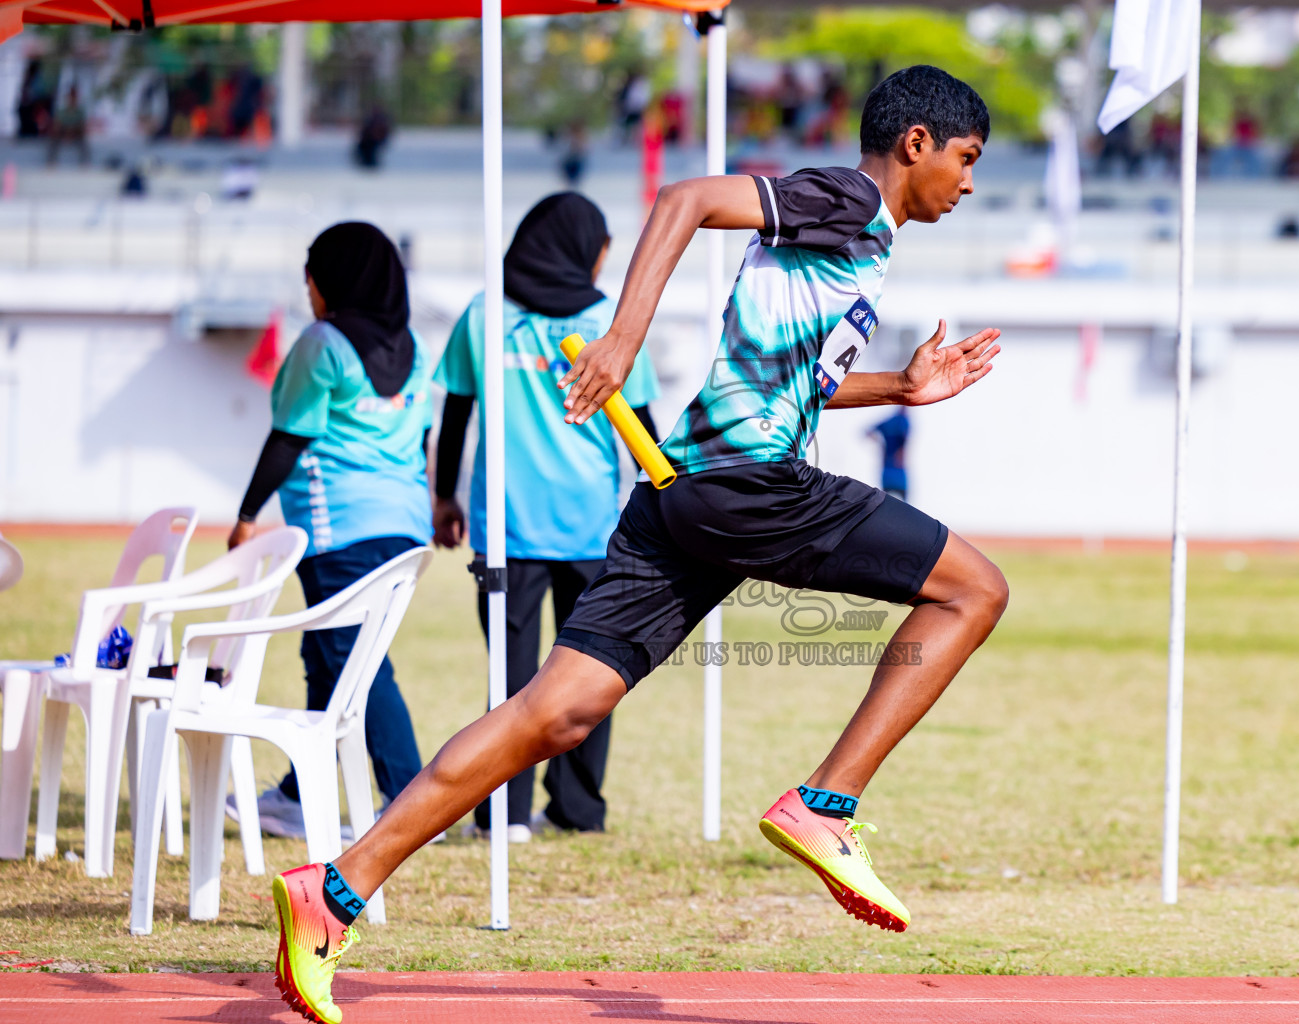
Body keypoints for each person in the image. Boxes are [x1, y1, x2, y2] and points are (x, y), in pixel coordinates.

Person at [270, 65, 1006, 1024]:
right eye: (967, 158)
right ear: (917, 144)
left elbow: (791, 383)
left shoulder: (859, 245)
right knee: (974, 592)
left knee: (557, 711)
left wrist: (900, 389)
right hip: (747, 485)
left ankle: (334, 889)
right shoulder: (849, 197)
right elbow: (688, 197)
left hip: (683, 493)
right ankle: (826, 806)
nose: (970, 182)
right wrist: (621, 336)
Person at [432, 192, 662, 842]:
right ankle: (578, 809)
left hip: (508, 526)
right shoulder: (610, 324)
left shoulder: (484, 315)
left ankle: (502, 816)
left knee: (511, 680)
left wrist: (443, 495)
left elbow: (455, 413)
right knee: (594, 676)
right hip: (590, 524)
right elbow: (640, 430)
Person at [228, 222, 431, 840]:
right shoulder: (415, 348)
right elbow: (419, 437)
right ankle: (297, 793)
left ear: (333, 281)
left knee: (359, 667)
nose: (308, 291)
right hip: (403, 525)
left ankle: (412, 801)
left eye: (310, 278)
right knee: (326, 656)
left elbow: (291, 434)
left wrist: (245, 516)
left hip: (337, 527)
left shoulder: (322, 343)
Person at [868, 407, 910, 502]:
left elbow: (869, 431)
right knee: (905, 505)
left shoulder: (890, 421)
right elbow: (904, 441)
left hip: (888, 468)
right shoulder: (903, 421)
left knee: (884, 502)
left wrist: (880, 445)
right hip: (897, 469)